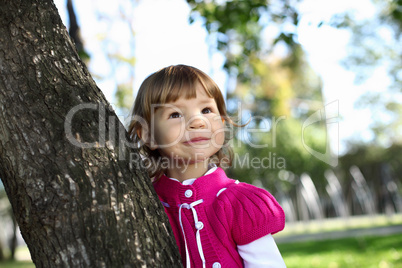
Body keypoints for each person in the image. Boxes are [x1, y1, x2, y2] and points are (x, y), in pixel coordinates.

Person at [128, 65, 286, 268]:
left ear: (221, 122)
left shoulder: (239, 202)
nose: (198, 122)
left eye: (206, 110)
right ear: (149, 134)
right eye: (175, 114)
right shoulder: (144, 204)